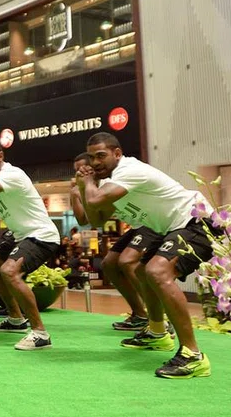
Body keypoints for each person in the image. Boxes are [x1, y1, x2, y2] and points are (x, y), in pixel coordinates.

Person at [78, 132, 215, 379]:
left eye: (101, 156)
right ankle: (157, 332)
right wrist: (84, 186)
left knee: (157, 271)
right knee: (143, 271)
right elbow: (96, 219)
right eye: (91, 158)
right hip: (172, 227)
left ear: (116, 154)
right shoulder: (108, 181)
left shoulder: (128, 170)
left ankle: (193, 356)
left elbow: (96, 199)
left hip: (197, 221)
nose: (95, 163)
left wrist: (87, 183)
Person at [0, 138, 61, 350]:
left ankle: (40, 333)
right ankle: (16, 319)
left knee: (9, 271)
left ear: (0, 156)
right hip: (20, 235)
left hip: (41, 235)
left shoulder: (11, 175)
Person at [70, 151, 162, 332]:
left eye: (84, 169)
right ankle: (140, 315)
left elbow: (96, 209)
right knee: (109, 264)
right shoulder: (89, 188)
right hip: (138, 226)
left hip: (153, 222)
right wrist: (76, 193)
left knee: (127, 261)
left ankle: (158, 318)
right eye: (76, 171)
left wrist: (85, 188)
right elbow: (85, 221)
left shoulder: (109, 183)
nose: (80, 173)